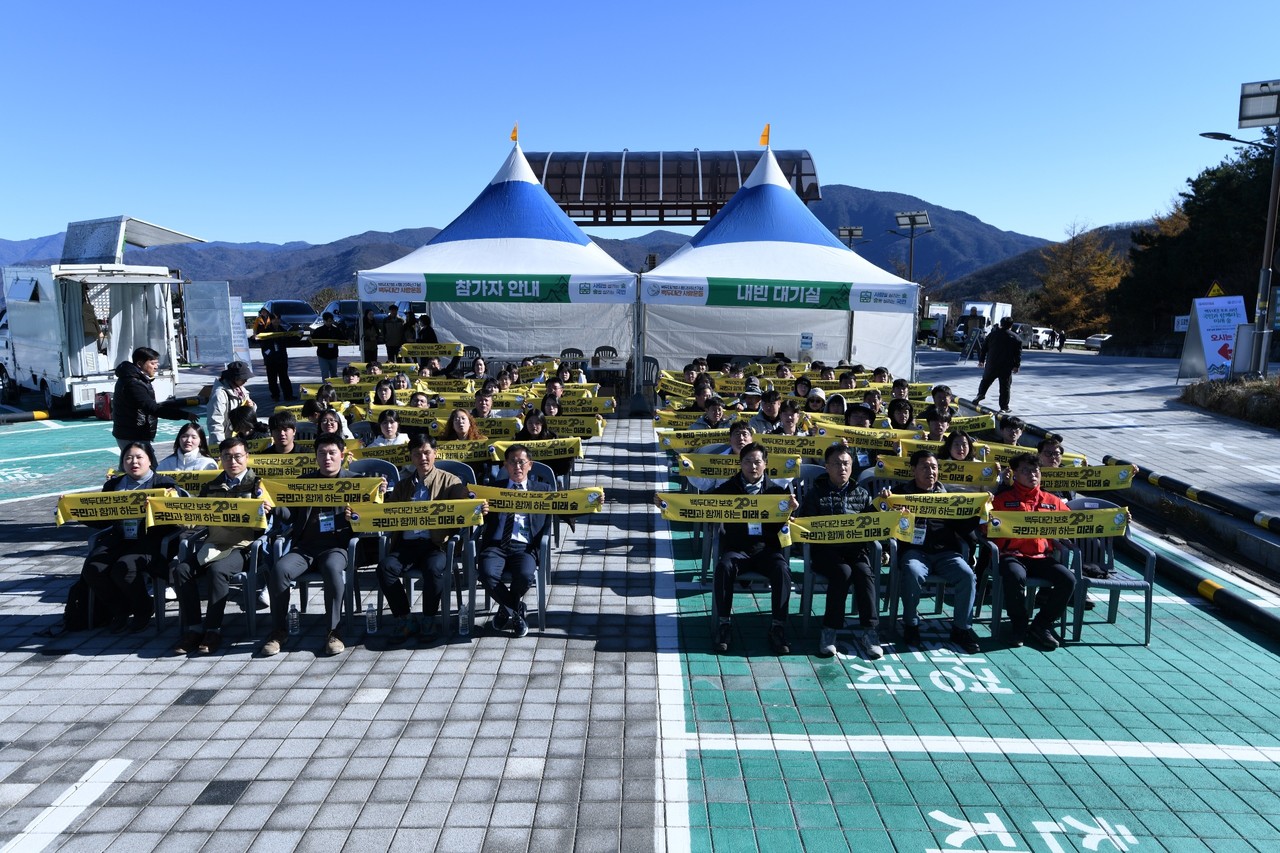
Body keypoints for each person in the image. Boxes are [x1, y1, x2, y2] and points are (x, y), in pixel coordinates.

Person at [259, 433, 366, 657]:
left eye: (332, 453)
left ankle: (334, 631)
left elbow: (369, 519)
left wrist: (359, 512)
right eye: (322, 453)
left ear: (342, 455)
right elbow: (290, 514)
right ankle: (278, 631)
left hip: (336, 547)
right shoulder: (304, 482)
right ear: (315, 457)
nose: (327, 458)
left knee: (331, 568)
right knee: (279, 570)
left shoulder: (357, 481)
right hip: (305, 547)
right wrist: (274, 508)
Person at [170, 437, 270, 655]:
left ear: (247, 457)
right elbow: (195, 520)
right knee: (181, 570)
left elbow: (270, 526)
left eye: (237, 456)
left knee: (218, 571)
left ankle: (213, 629)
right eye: (227, 456)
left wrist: (267, 513)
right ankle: (194, 628)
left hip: (243, 548)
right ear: (220, 459)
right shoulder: (212, 486)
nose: (232, 461)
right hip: (213, 546)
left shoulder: (258, 485)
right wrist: (172, 508)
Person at [706, 443, 798, 655]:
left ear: (765, 465)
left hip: (766, 550)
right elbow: (702, 504)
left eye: (757, 462)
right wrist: (669, 503)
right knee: (723, 567)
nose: (752, 466)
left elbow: (788, 525)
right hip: (737, 549)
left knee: (782, 570)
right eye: (747, 461)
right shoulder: (727, 489)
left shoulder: (777, 492)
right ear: (740, 464)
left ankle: (778, 627)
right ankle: (723, 624)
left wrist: (792, 512)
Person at [378, 435, 470, 643]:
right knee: (385, 568)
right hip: (407, 544)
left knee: (433, 569)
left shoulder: (450, 481)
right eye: (417, 454)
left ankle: (429, 617)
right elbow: (386, 513)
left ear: (435, 453)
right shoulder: (403, 486)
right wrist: (379, 495)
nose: (423, 458)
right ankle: (405, 617)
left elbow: (461, 498)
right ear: (411, 457)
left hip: (435, 544)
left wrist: (469, 497)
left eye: (427, 452)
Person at [79, 443, 179, 633]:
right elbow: (102, 520)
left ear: (150, 460)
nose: (134, 462)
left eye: (139, 457)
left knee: (124, 568)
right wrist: (76, 512)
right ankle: (120, 610)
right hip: (119, 538)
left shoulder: (164, 483)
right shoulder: (113, 485)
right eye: (128, 458)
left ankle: (143, 609)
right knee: (93, 568)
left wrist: (169, 499)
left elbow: (177, 517)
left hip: (150, 540)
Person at [890, 450, 982, 653]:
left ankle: (961, 628)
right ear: (913, 470)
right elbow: (882, 518)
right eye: (924, 467)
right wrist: (885, 501)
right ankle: (911, 624)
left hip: (946, 553)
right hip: (914, 551)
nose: (930, 471)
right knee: (913, 572)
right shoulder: (899, 494)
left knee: (967, 575)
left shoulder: (949, 497)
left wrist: (978, 510)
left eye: (934, 467)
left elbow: (963, 528)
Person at [796, 445, 879, 658]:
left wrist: (884, 506)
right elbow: (804, 524)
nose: (842, 468)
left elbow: (874, 524)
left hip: (855, 550)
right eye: (836, 463)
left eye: (846, 463)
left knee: (863, 572)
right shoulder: (816, 493)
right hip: (826, 552)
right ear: (826, 467)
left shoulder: (861, 494)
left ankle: (869, 631)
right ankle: (829, 630)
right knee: (843, 573)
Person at [991, 453, 1075, 650]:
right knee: (1014, 575)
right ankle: (1019, 624)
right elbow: (985, 528)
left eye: (1035, 470)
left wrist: (1118, 520)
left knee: (1068, 579)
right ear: (1014, 474)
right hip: (1011, 555)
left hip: (1041, 557)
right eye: (1025, 471)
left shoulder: (1052, 501)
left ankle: (1041, 625)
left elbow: (1073, 524)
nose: (1032, 475)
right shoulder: (1001, 500)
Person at [477, 445, 552, 637]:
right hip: (496, 545)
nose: (517, 466)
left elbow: (568, 506)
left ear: (530, 465)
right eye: (512, 462)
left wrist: (591, 502)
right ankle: (516, 609)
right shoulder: (493, 490)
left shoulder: (543, 490)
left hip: (524, 546)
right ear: (505, 465)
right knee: (486, 574)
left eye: (521, 462)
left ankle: (506, 609)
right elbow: (471, 512)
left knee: (526, 574)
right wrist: (479, 510)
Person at [111, 346, 193, 452]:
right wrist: (184, 415)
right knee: (147, 466)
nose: (156, 367)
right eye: (152, 363)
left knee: (133, 466)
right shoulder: (133, 383)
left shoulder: (134, 378)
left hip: (131, 433)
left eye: (156, 363)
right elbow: (152, 408)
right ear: (140, 364)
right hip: (132, 435)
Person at [975, 316, 1023, 414]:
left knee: (986, 380)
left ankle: (981, 394)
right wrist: (1016, 366)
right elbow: (1017, 354)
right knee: (1005, 387)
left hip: (992, 363)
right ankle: (1004, 407)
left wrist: (981, 360)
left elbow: (984, 348)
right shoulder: (1016, 338)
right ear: (1011, 325)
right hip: (1006, 366)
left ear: (1001, 324)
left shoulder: (992, 335)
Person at [207, 361, 256, 444]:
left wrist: (252, 406)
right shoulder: (219, 395)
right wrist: (220, 445)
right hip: (225, 440)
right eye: (243, 378)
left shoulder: (241, 390)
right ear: (234, 378)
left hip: (238, 437)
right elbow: (215, 422)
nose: (246, 381)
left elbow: (249, 413)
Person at [255, 309, 294, 402]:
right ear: (271, 320)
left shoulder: (283, 330)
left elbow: (288, 341)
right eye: (274, 319)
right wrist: (268, 353)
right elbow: (262, 344)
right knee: (272, 379)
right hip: (271, 360)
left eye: (278, 319)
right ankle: (275, 396)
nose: (276, 321)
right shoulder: (266, 331)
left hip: (282, 358)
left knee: (284, 378)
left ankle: (288, 395)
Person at [313, 312, 344, 381]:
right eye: (328, 321)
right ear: (324, 321)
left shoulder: (336, 330)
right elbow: (313, 340)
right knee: (325, 374)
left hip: (333, 355)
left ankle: (335, 388)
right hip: (322, 355)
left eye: (331, 321)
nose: (329, 323)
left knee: (334, 374)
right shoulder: (318, 330)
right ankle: (325, 388)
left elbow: (343, 338)